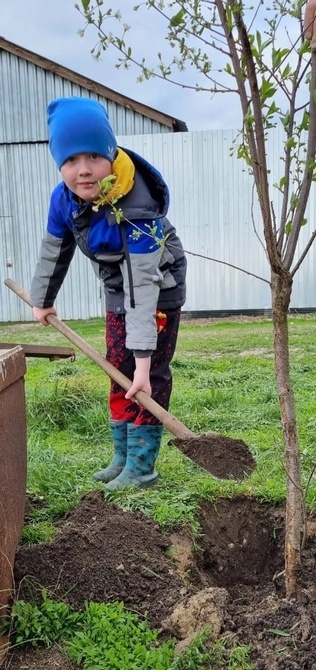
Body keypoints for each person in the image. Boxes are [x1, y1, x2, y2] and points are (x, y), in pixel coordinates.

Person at [30, 96, 187, 490]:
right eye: (69, 160)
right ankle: (122, 456)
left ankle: (143, 466)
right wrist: (42, 299)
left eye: (94, 157)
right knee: (116, 368)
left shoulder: (136, 206)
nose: (82, 170)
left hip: (157, 290)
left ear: (111, 153)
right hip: (118, 286)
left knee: (146, 377)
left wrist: (145, 365)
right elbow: (55, 249)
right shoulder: (63, 199)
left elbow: (143, 287)